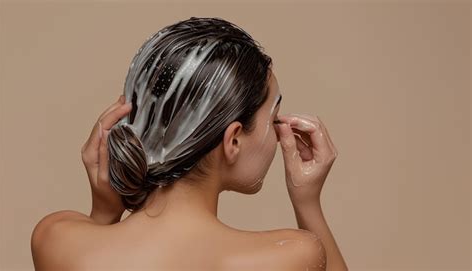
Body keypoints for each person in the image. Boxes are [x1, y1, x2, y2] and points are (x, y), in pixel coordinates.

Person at [31, 17, 348, 270]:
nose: (281, 133)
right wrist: (308, 202)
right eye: (274, 116)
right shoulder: (291, 256)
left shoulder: (55, 238)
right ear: (233, 140)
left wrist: (104, 211)